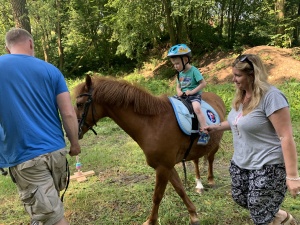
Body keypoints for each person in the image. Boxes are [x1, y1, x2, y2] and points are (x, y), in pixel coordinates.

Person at [205, 54, 300, 225]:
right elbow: (238, 122)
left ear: (252, 75)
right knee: (241, 197)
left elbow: (285, 136)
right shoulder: (242, 96)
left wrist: (292, 176)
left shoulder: (272, 97)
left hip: (268, 165)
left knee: (258, 210)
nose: (233, 79)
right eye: (233, 74)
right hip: (242, 163)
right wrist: (215, 127)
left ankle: (268, 215)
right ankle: (281, 217)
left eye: (237, 75)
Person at [0, 28, 81, 225]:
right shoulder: (51, 70)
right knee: (48, 208)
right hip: (56, 153)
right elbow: (68, 113)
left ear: (6, 48)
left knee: (53, 218)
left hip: (25, 156)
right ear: (30, 43)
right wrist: (75, 144)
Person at [167, 43, 210, 145]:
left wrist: (192, 92)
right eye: (174, 64)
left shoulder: (194, 71)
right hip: (182, 96)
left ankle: (205, 131)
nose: (175, 66)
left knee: (197, 109)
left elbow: (203, 83)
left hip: (194, 95)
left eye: (177, 63)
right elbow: (178, 86)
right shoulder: (179, 73)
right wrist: (179, 91)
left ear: (185, 60)